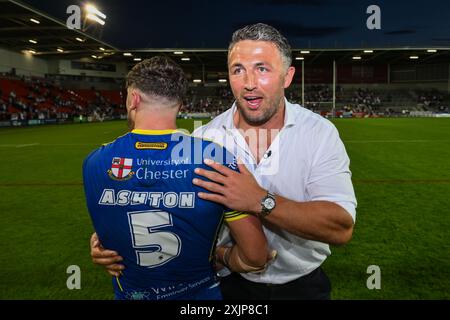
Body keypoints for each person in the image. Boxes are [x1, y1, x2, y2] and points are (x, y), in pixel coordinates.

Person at [91, 23, 357, 300]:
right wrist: (112, 240)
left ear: (287, 76)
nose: (249, 83)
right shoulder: (204, 139)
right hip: (227, 284)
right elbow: (164, 209)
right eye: (238, 70)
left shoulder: (318, 132)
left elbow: (340, 228)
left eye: (262, 68)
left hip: (302, 287)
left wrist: (259, 200)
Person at [83, 56, 271, 300]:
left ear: (133, 99)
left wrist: (99, 246)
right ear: (180, 104)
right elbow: (256, 256)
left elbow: (108, 237)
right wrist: (221, 256)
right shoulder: (214, 158)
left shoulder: (95, 162)